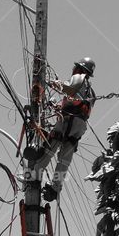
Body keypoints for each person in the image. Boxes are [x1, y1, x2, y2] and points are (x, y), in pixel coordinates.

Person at [32, 57, 96, 201]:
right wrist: (58, 107)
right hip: (79, 125)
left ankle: (35, 174)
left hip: (69, 120)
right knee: (65, 159)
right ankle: (55, 188)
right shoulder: (91, 92)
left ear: (80, 68)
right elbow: (77, 103)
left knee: (52, 144)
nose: (73, 70)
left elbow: (70, 90)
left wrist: (53, 83)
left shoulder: (79, 77)